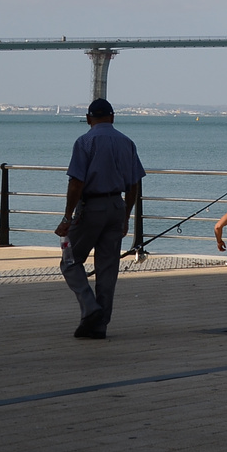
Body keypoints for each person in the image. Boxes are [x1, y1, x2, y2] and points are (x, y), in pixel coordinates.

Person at [55, 98, 145, 339]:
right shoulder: (127, 142)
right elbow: (135, 184)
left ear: (88, 119)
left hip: (91, 207)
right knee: (107, 268)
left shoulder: (85, 141)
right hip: (117, 205)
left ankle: (90, 307)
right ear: (113, 117)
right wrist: (126, 215)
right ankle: (99, 325)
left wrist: (66, 217)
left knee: (70, 260)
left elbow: (76, 183)